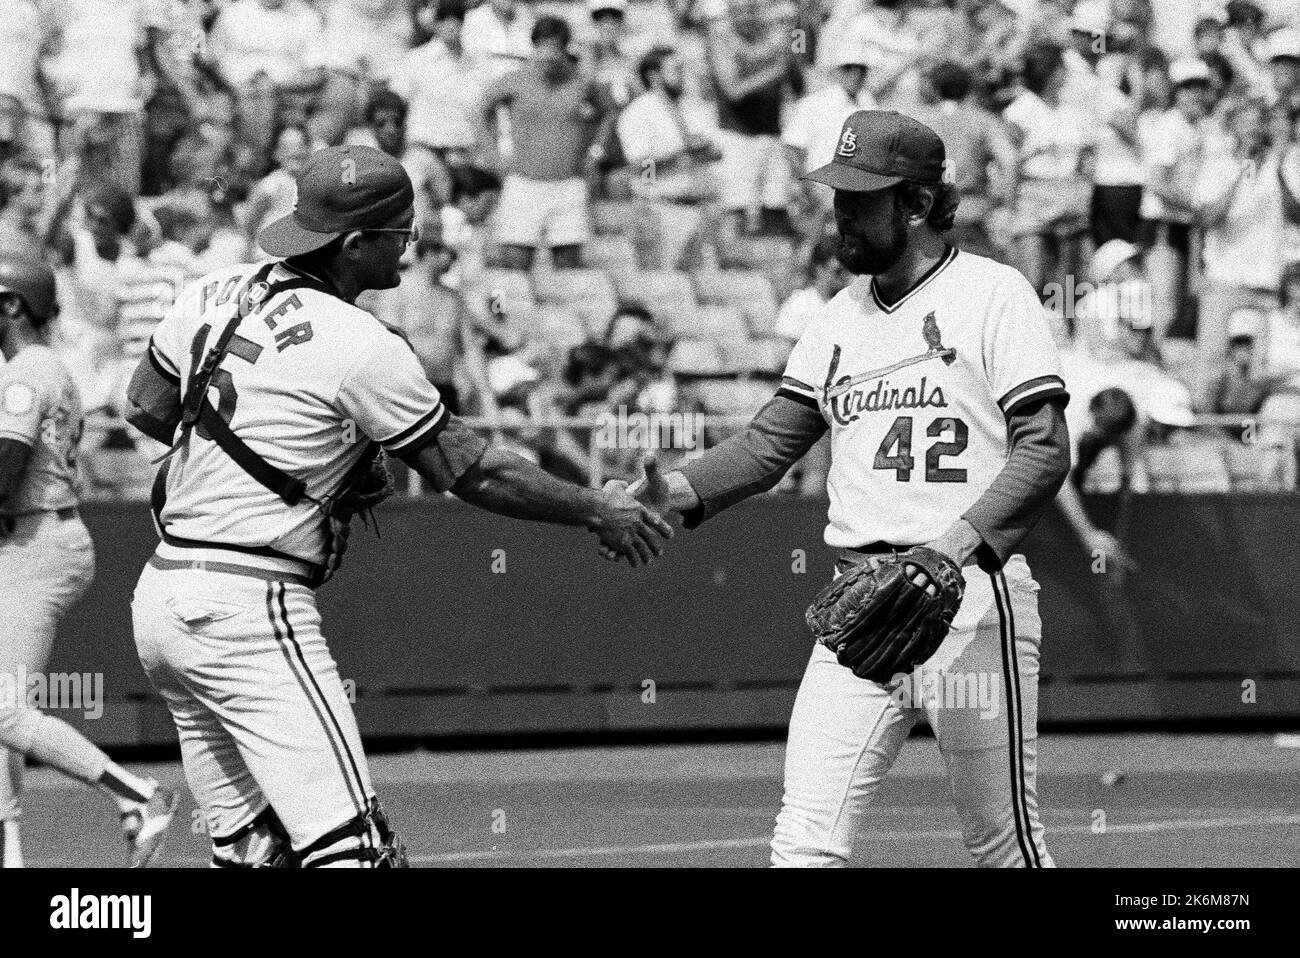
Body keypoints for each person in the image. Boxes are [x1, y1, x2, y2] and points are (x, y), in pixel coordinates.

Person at [123, 145, 672, 868]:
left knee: (254, 854)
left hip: (162, 603)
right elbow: (472, 472)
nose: (410, 250)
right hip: (247, 607)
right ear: (354, 245)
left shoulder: (210, 290)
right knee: (355, 854)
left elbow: (146, 407)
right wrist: (598, 509)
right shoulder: (361, 342)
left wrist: (281, 456)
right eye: (401, 235)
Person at [614, 111, 1072, 867]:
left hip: (974, 605)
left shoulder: (995, 294)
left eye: (862, 200)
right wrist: (668, 493)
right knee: (804, 841)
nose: (841, 216)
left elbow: (1046, 448)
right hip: (862, 608)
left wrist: (949, 550)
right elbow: (767, 445)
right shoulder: (836, 319)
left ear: (918, 205)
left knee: (1003, 846)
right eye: (838, 196)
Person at [0, 254, 179, 869]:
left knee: (2, 708)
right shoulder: (36, 367)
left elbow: (4, 473)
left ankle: (137, 795)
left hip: (34, 542)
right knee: (4, 709)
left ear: (14, 305)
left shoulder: (28, 370)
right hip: (33, 539)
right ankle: (13, 852)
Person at [482, 15, 611, 269]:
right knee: (515, 265)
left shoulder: (581, 81)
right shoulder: (515, 80)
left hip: (568, 184)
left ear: (565, 49)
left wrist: (596, 151)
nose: (548, 55)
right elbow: (479, 112)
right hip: (524, 183)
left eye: (555, 47)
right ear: (534, 46)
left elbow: (608, 111)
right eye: (542, 46)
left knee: (568, 268)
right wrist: (493, 155)